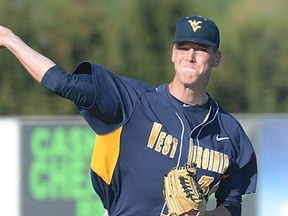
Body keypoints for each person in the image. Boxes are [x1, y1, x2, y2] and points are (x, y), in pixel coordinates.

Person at [0, 15, 257, 216]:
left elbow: (232, 204)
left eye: (200, 49)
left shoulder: (229, 134)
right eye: (183, 47)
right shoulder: (134, 101)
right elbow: (62, 83)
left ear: (216, 58)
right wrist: (11, 39)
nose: (190, 56)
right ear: (173, 54)